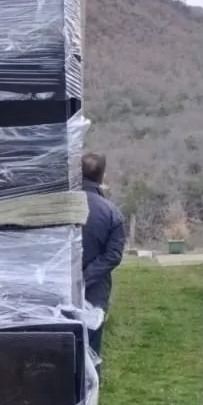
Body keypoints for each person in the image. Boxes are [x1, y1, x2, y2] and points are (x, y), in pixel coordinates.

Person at [80, 150, 126, 361]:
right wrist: (86, 278)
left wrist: (73, 279)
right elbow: (113, 255)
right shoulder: (111, 212)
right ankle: (89, 393)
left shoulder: (58, 206)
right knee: (91, 352)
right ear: (101, 176)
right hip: (94, 293)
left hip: (57, 288)